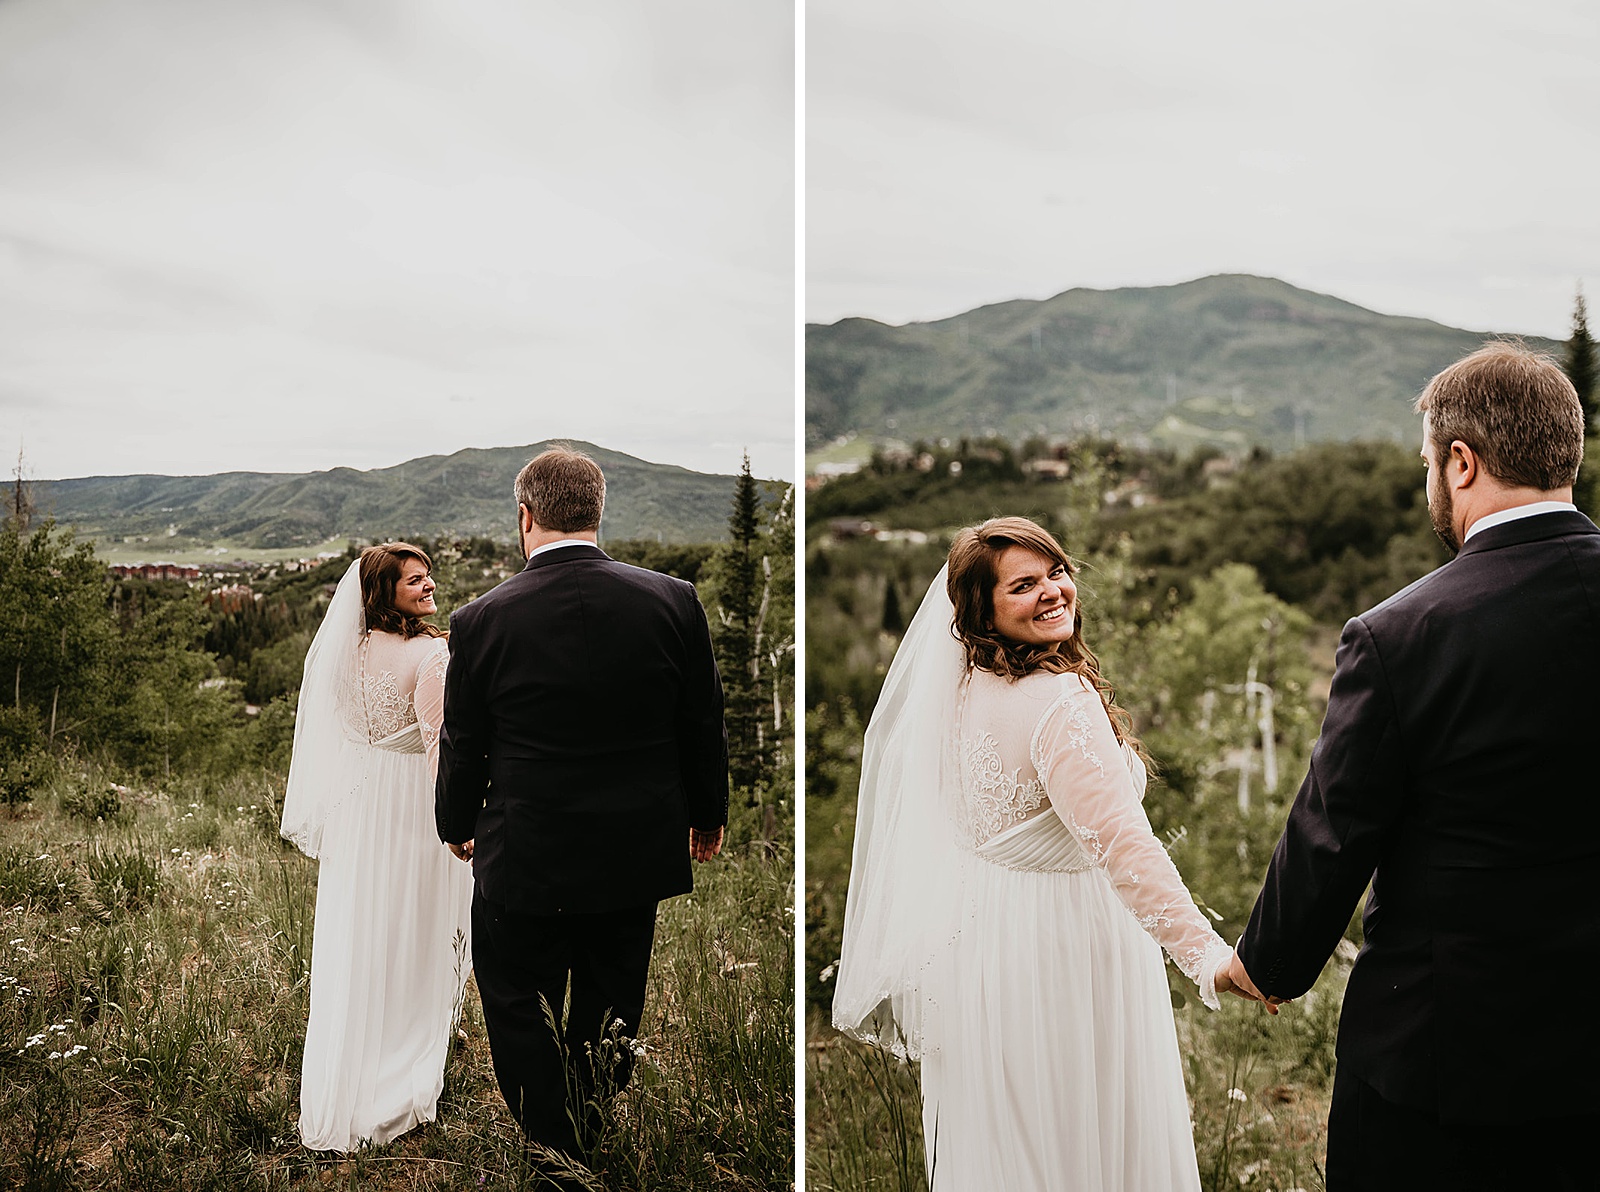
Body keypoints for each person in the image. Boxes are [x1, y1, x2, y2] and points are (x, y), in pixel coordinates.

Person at [1223, 341, 1600, 1190]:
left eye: (1429, 461)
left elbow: (1333, 831)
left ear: (1461, 463)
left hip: (1449, 1062)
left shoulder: (1400, 635)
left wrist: (1264, 963)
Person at [833, 516, 1252, 1191]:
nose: (1053, 591)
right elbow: (1122, 843)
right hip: (1066, 947)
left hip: (976, 947)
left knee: (1009, 1142)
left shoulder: (960, 690)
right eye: (1023, 585)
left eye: (1056, 571)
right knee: (1082, 1139)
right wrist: (1205, 956)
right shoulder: (1060, 700)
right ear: (984, 611)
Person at [435, 445, 729, 1159]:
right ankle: (588, 1128)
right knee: (611, 1000)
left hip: (524, 849)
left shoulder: (480, 618)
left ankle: (551, 1144)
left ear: (525, 516)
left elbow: (464, 741)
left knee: (513, 1001)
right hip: (634, 846)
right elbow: (702, 722)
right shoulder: (673, 600)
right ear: (598, 512)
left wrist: (455, 822)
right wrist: (708, 812)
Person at [280, 542, 474, 1152]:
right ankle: (399, 1075)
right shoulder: (431, 654)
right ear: (385, 592)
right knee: (415, 931)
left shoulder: (349, 649)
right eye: (414, 581)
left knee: (361, 931)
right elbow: (443, 748)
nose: (429, 586)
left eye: (428, 576)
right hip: (414, 805)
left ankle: (351, 1072)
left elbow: (335, 725)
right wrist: (461, 821)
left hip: (361, 804)